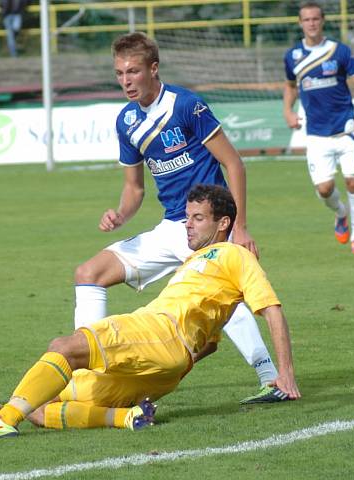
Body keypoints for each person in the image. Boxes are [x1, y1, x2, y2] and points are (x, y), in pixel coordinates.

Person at [0, 185, 301, 438]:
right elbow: (208, 344)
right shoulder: (195, 261)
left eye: (197, 218)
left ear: (222, 224)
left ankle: (2, 420)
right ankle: (124, 418)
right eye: (187, 217)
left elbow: (271, 309)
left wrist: (283, 374)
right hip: (166, 367)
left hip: (158, 332)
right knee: (40, 408)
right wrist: (184, 361)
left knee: (64, 347)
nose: (187, 225)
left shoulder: (234, 254)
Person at [72, 32, 284, 405]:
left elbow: (232, 162)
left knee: (221, 298)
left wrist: (239, 226)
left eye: (133, 71)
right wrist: (119, 214)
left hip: (209, 226)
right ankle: (90, 371)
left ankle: (270, 378)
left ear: (153, 69)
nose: (126, 80)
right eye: (119, 73)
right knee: (89, 273)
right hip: (173, 227)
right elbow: (134, 189)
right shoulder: (126, 122)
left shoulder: (186, 106)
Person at [283, 1, 354, 254]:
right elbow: (290, 87)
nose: (311, 23)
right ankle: (341, 214)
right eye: (306, 19)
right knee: (325, 189)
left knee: (353, 181)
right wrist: (287, 110)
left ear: (323, 21)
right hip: (317, 135)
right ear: (300, 23)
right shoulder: (292, 56)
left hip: (345, 129)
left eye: (315, 19)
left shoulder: (339, 51)